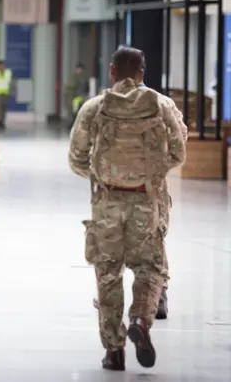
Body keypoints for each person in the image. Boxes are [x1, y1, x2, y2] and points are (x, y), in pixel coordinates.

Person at [68, 46, 186, 371]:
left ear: (111, 71)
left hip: (107, 202)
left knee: (107, 274)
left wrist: (102, 175)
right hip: (147, 201)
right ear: (141, 74)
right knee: (150, 268)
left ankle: (114, 351)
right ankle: (141, 320)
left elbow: (76, 157)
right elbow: (178, 152)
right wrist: (150, 175)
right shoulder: (161, 106)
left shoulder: (94, 108)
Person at [67, 62, 90, 128]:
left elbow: (86, 87)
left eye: (80, 69)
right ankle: (72, 122)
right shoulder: (74, 76)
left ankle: (75, 123)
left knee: (78, 110)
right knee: (73, 110)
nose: (79, 70)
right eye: (79, 68)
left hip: (79, 96)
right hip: (74, 96)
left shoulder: (83, 77)